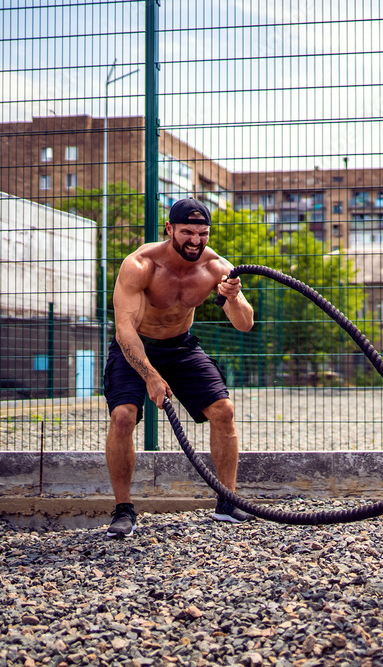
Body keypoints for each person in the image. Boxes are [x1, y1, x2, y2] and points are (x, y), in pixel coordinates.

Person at [103, 198, 255, 538]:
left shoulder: (216, 267)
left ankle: (227, 503)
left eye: (202, 233)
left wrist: (233, 296)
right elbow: (125, 329)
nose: (195, 241)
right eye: (187, 232)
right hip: (137, 346)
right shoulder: (140, 266)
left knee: (223, 411)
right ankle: (123, 510)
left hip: (181, 346)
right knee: (123, 415)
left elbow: (245, 323)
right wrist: (151, 376)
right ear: (169, 229)